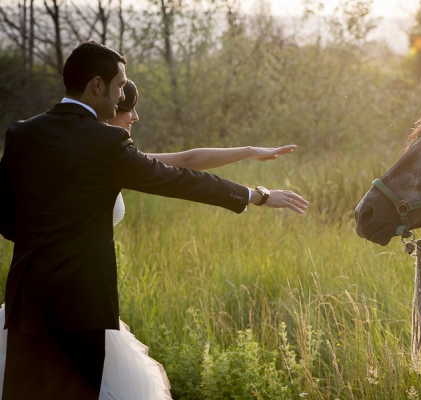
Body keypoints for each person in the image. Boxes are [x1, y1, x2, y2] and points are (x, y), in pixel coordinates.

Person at [0, 40, 308, 399]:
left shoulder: (21, 133)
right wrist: (256, 196)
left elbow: (5, 217)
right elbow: (180, 181)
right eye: (118, 88)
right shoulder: (107, 142)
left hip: (27, 300)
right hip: (81, 305)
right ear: (96, 85)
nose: (120, 98)